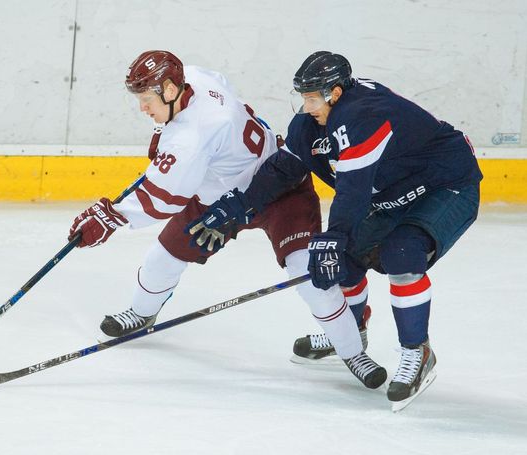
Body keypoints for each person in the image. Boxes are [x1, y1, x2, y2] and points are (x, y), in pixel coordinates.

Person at [69, 50, 387, 389]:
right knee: (162, 259)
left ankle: (352, 351)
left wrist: (111, 217)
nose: (142, 108)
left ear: (171, 90)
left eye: (147, 99)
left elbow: (164, 199)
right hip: (222, 204)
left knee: (308, 275)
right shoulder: (195, 77)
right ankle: (142, 313)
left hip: (280, 189)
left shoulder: (190, 139)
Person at [188, 51, 482, 410]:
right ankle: (352, 329)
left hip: (446, 184)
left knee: (402, 255)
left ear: (336, 92)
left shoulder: (366, 115)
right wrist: (236, 207)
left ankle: (417, 352)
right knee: (342, 259)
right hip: (392, 194)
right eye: (304, 97)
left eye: (313, 98)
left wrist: (333, 236)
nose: (307, 106)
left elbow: (354, 189)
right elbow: (283, 170)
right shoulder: (309, 125)